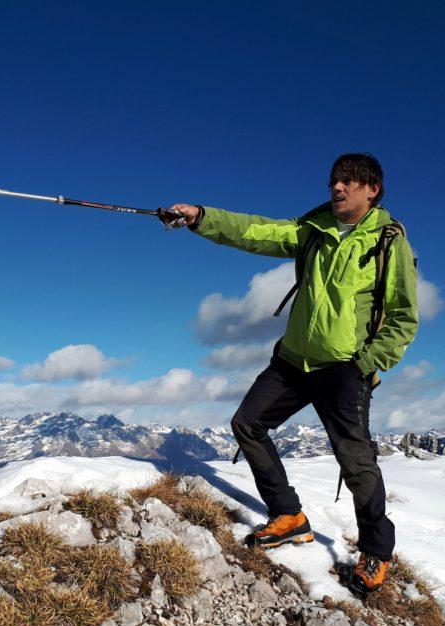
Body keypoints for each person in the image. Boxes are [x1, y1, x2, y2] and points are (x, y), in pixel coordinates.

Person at [161, 153, 418, 596]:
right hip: (293, 359)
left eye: (348, 183)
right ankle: (289, 516)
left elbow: (403, 315)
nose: (337, 188)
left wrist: (367, 361)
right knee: (247, 423)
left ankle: (376, 549)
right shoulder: (313, 229)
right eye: (334, 181)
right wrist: (202, 217)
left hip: (344, 367)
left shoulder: (389, 241)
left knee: (356, 463)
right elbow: (258, 232)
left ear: (372, 190)